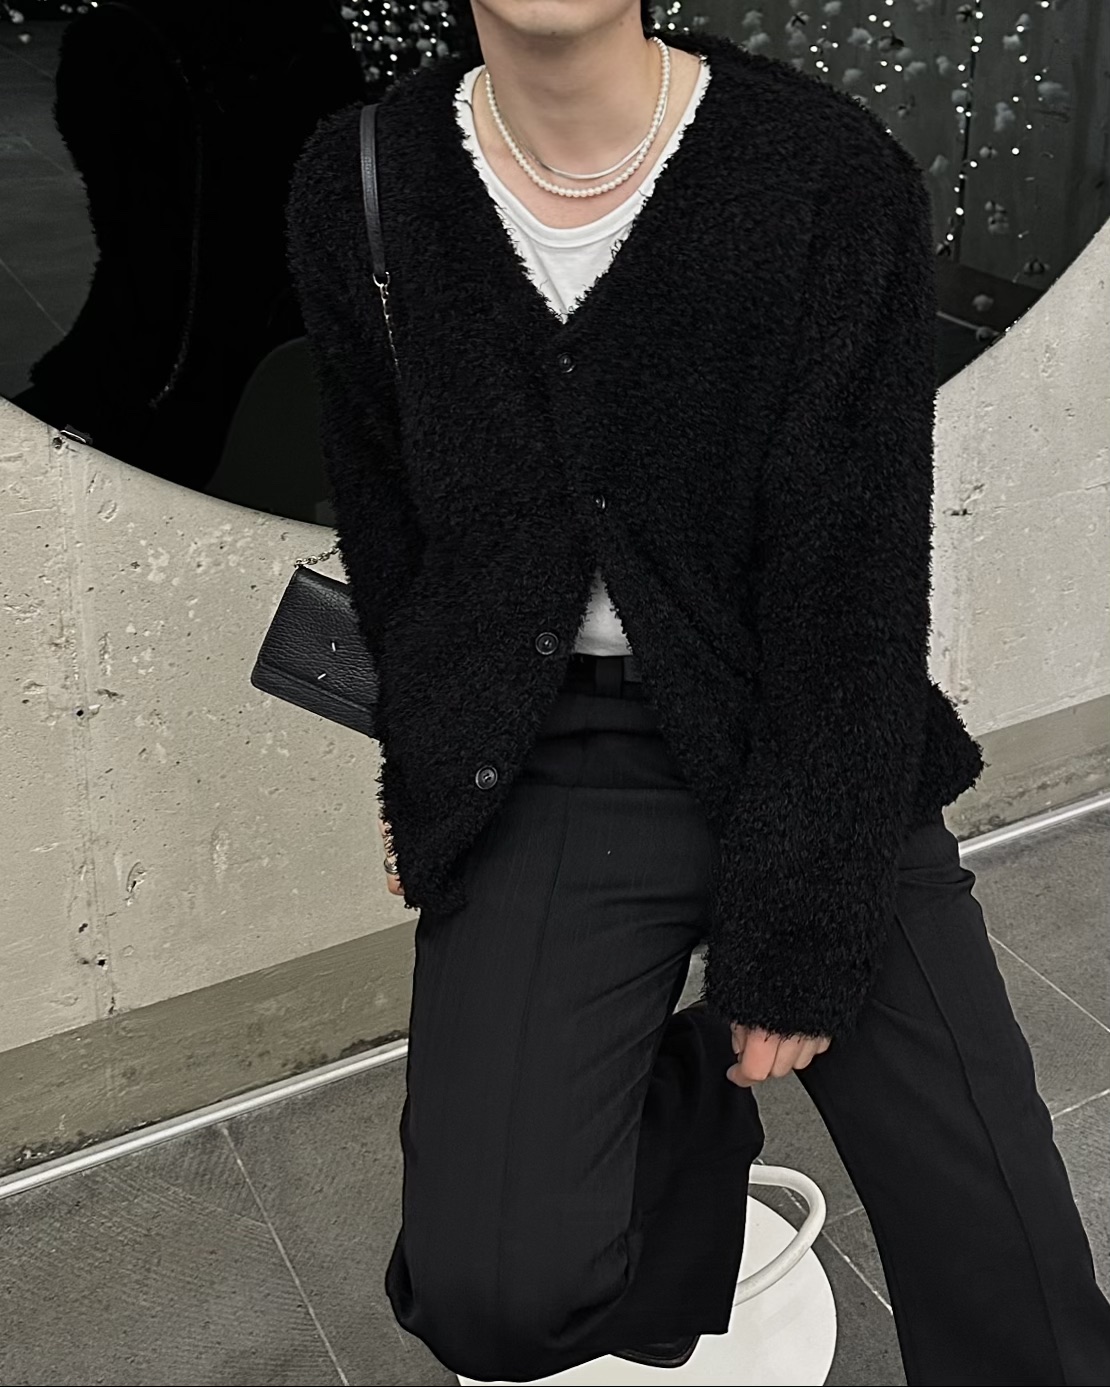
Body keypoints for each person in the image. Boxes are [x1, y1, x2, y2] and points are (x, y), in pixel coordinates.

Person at [285, 3, 1110, 1382]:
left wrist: (797, 930)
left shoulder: (820, 174)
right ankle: (657, 1107)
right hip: (548, 760)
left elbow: (853, 579)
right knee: (492, 1299)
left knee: (1010, 1279)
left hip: (809, 731)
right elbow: (387, 517)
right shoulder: (363, 177)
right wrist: (423, 754)